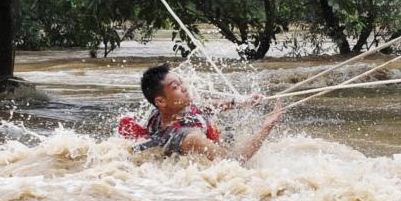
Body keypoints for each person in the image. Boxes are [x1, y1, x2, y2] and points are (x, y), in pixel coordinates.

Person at [119, 63, 283, 161]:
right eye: (175, 87)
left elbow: (202, 107)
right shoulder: (191, 138)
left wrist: (239, 102)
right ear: (160, 101)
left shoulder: (161, 113)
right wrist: (266, 128)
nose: (184, 88)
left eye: (181, 83)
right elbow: (234, 161)